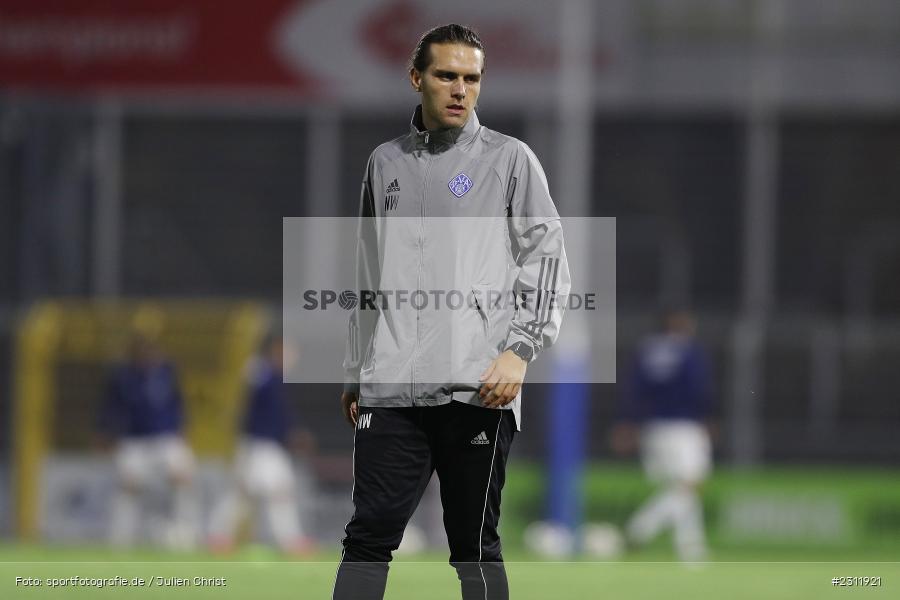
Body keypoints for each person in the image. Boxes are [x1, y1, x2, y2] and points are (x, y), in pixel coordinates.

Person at [333, 24, 570, 600]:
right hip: (389, 389)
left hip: (476, 389)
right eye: (446, 76)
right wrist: (355, 366)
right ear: (417, 79)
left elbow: (548, 254)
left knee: (473, 547)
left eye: (472, 78)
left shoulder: (510, 160)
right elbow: (368, 271)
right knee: (367, 539)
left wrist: (520, 350)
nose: (460, 89)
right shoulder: (383, 162)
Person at [611, 309, 715, 562]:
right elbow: (699, 389)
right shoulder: (689, 351)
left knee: (678, 489)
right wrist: (708, 417)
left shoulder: (645, 350)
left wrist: (628, 423)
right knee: (690, 485)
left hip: (652, 429)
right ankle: (638, 529)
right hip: (684, 427)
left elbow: (632, 390)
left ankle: (691, 549)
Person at [207, 335, 317, 554]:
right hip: (256, 444)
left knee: (251, 492)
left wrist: (292, 432)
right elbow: (248, 405)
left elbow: (281, 414)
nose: (292, 358)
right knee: (258, 492)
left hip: (268, 445)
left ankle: (220, 535)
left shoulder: (274, 377)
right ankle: (288, 540)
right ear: (276, 349)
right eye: (288, 352)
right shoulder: (261, 372)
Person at [98, 331, 197, 549]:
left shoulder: (167, 373)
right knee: (128, 489)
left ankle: (184, 537)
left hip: (166, 438)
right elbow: (110, 409)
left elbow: (178, 405)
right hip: (134, 441)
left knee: (182, 479)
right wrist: (106, 434)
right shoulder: (121, 377)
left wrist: (184, 433)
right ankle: (119, 542)